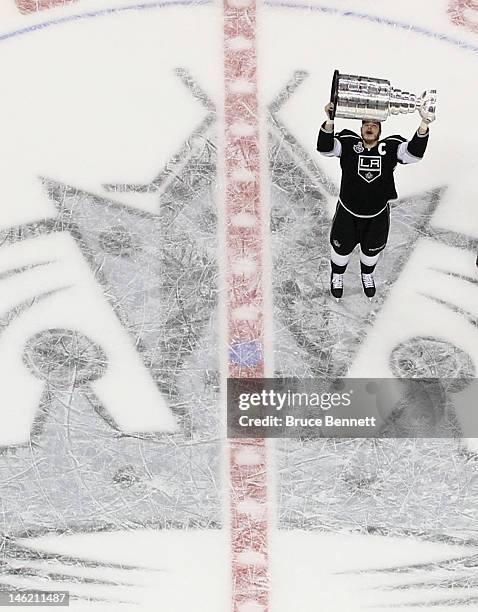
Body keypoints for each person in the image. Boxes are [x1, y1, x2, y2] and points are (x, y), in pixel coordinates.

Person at [317, 101, 435, 299]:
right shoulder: (348, 143)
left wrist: (424, 123)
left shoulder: (391, 147)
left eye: (374, 125)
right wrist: (329, 120)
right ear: (361, 128)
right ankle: (337, 274)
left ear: (380, 130)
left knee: (371, 251)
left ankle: (367, 274)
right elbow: (325, 148)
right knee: (340, 248)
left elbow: (414, 154)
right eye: (366, 124)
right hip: (348, 212)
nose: (369, 127)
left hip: (377, 215)